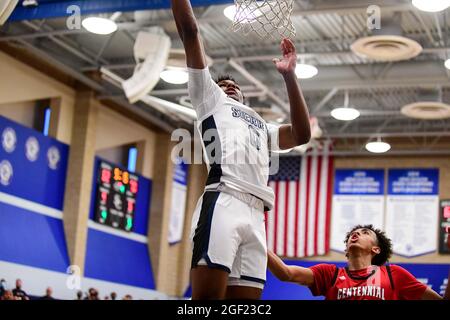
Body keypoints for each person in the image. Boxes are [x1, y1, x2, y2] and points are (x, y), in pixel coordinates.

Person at [170, 0, 311, 300]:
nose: (228, 84)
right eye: (222, 83)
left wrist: (289, 75)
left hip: (257, 214)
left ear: (245, 97)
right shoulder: (209, 101)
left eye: (234, 84)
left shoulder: (261, 125)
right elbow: (190, 31)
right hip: (224, 200)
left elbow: (301, 134)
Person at [268, 224, 445, 300]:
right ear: (346, 249)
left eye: (365, 232)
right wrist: (257, 240)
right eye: (354, 233)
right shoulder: (330, 274)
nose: (357, 234)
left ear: (375, 249)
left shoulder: (394, 275)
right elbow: (286, 273)